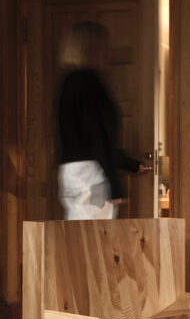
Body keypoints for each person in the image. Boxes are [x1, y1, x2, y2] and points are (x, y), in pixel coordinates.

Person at [56, 20, 147, 219]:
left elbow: (84, 136)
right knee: (94, 239)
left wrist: (128, 163)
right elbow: (97, 135)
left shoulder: (69, 82)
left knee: (77, 235)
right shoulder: (90, 83)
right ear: (93, 47)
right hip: (91, 176)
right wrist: (115, 183)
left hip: (72, 173)